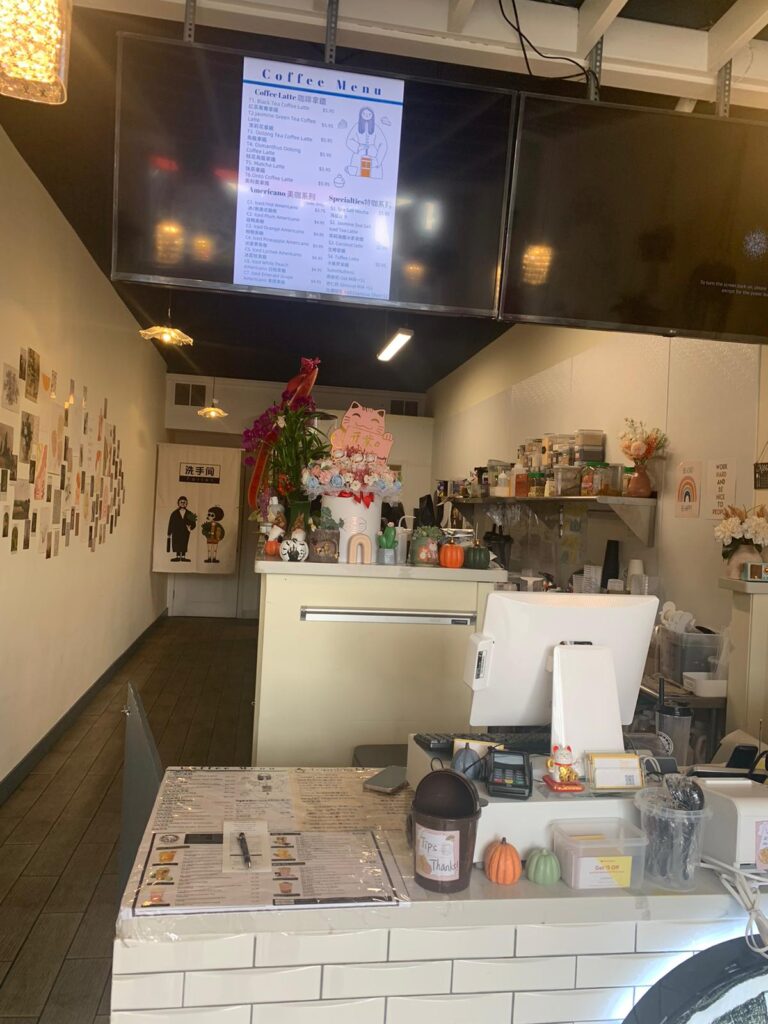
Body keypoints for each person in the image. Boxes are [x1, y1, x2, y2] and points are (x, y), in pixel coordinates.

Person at [346, 107, 388, 179]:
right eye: (364, 113)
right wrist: (358, 147)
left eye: (369, 114)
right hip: (358, 154)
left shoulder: (376, 128)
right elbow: (348, 141)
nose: (366, 115)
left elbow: (383, 144)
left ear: (372, 115)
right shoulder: (357, 126)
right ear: (361, 114)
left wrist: (378, 160)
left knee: (373, 175)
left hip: (373, 154)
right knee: (356, 176)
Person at [167, 496, 196, 562]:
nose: (183, 503)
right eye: (181, 502)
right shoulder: (174, 513)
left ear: (186, 503)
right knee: (176, 543)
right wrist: (169, 532)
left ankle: (183, 556)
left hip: (185, 531)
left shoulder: (189, 513)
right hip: (176, 531)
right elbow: (170, 523)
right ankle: (177, 556)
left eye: (184, 502)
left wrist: (190, 527)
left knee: (184, 543)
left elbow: (194, 523)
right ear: (178, 503)